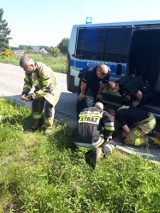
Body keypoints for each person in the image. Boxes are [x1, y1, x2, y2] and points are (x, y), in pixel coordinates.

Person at [19, 55, 61, 134]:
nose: (25, 71)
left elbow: (47, 88)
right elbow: (27, 83)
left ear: (31, 65)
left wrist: (33, 96)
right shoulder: (28, 71)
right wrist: (25, 92)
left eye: (26, 69)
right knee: (36, 105)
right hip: (41, 88)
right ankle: (36, 124)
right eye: (23, 69)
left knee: (49, 106)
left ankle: (48, 127)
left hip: (52, 88)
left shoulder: (42, 69)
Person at [72, 102, 116, 168]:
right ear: (102, 108)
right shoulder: (102, 112)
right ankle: (101, 153)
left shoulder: (83, 111)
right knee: (112, 143)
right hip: (92, 141)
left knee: (86, 139)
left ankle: (80, 150)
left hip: (75, 140)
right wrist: (107, 136)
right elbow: (110, 125)